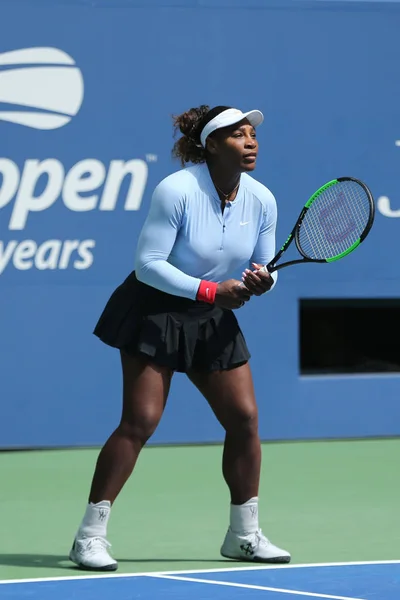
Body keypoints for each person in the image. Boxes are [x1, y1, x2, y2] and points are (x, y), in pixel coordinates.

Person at [69, 105, 291, 571]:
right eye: (237, 135)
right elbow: (148, 265)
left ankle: (244, 534)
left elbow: (265, 267)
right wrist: (213, 289)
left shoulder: (262, 199)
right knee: (141, 420)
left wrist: (260, 282)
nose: (250, 142)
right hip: (156, 307)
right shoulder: (177, 190)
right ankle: (89, 536)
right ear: (211, 145)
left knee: (245, 419)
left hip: (212, 314)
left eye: (253, 135)